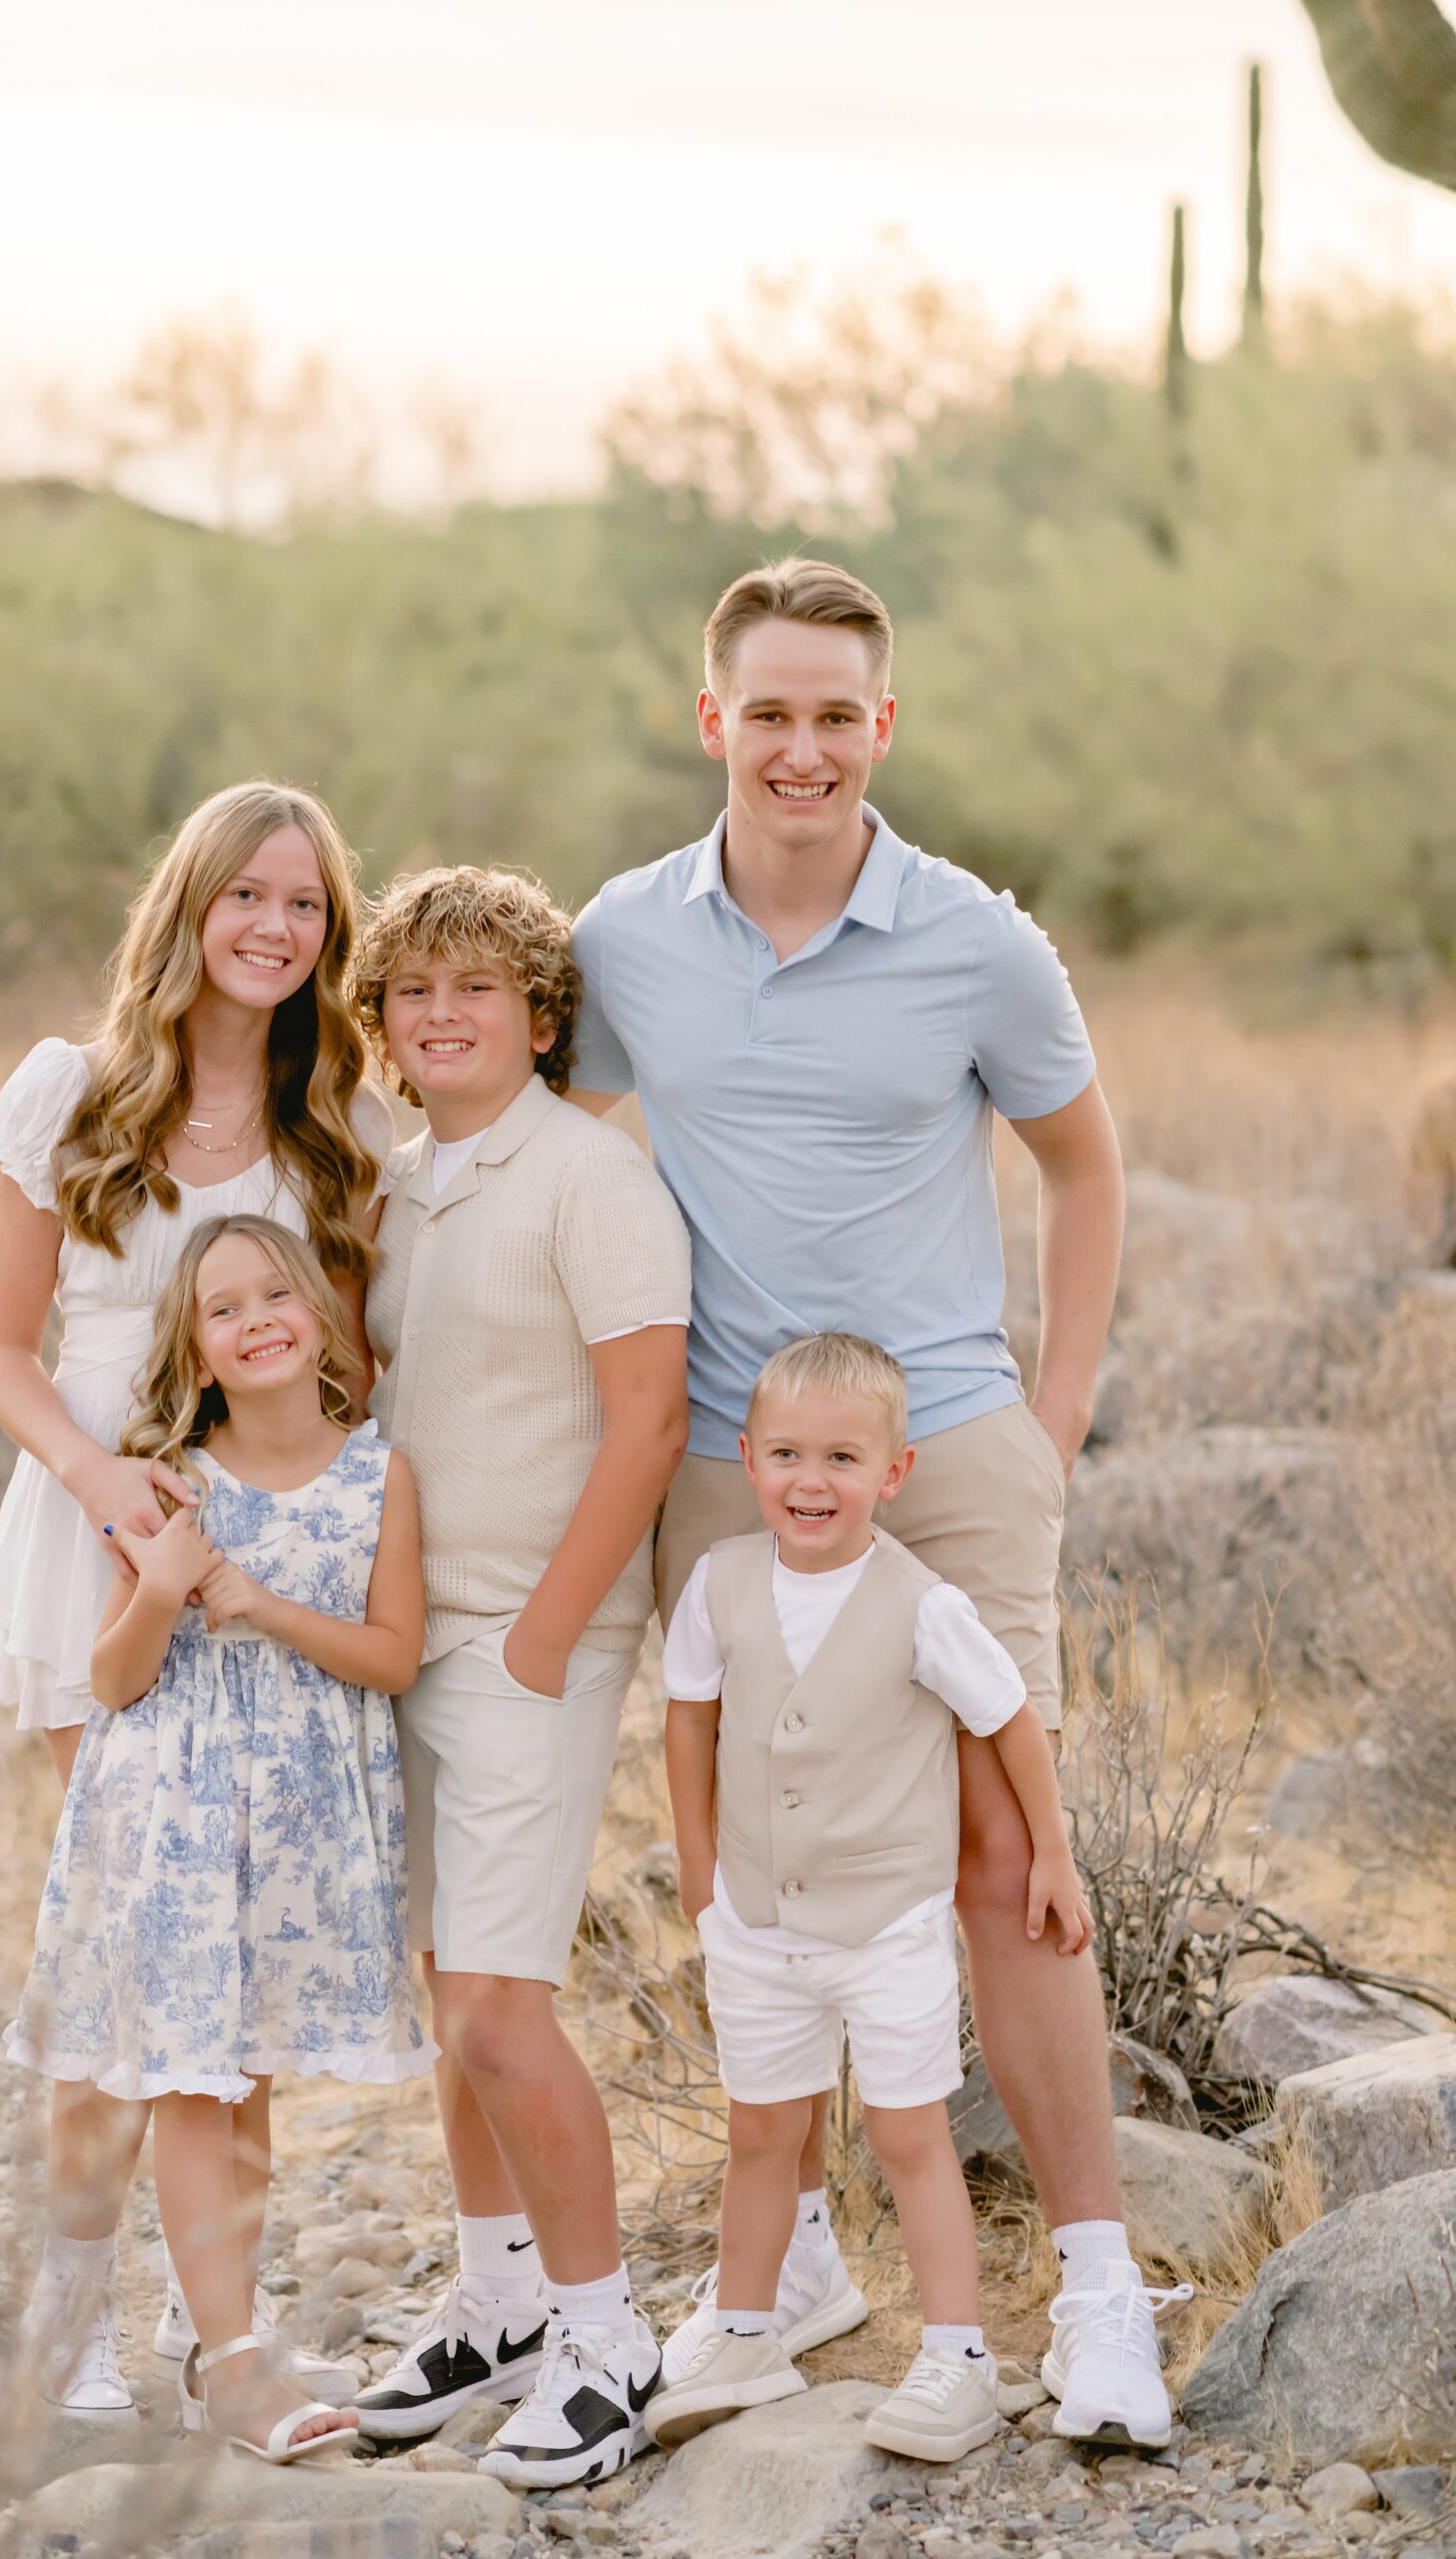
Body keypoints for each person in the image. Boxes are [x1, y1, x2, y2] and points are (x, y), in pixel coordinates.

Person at [569, 562, 1180, 2446]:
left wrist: (1051, 1413)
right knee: (766, 1877)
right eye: (770, 711)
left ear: (883, 730)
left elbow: (1084, 1169)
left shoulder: (978, 941)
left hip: (951, 1461)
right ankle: (793, 2274)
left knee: (1001, 1868)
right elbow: (558, 1158)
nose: (804, 746)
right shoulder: (624, 939)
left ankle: (1094, 2295)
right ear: (711, 724)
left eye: (838, 713)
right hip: (726, 1476)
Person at [0, 780, 394, 2409]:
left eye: (306, 906)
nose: (276, 928)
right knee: (125, 1945)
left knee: (241, 1976)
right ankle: (66, 2320)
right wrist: (99, 1485)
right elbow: (5, 1353)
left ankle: (213, 2318)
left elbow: (345, 1372)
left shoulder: (326, 1138)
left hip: (249, 1585)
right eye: (249, 897)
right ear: (190, 907)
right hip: (90, 1556)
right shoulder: (69, 1094)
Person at [349, 866, 692, 2487]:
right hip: (407, 1633)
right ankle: (493, 2299)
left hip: (529, 1637)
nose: (441, 1013)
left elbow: (647, 1423)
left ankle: (605, 2330)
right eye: (413, 990)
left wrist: (553, 1632)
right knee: (444, 1982)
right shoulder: (399, 1184)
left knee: (499, 2005)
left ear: (539, 1015)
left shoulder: (588, 1179)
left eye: (476, 987)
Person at [6, 1213, 430, 2459]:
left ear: (318, 1314)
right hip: (171, 1811)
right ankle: (237, 2369)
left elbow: (393, 1655)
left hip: (296, 1822)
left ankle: (217, 2340)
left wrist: (260, 1604)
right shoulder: (166, 1475)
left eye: (271, 1296)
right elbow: (116, 1681)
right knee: (193, 2079)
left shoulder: (378, 1475)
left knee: (242, 2086)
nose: (253, 1321)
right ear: (194, 1354)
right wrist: (157, 1584)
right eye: (221, 1310)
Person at [648, 1333, 1111, 2459]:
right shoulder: (719, 1581)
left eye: (844, 1458)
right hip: (756, 1924)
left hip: (886, 1924)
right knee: (764, 2127)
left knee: (907, 2134)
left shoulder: (920, 1602)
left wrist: (1047, 1852)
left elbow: (1005, 1719)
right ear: (748, 1455)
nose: (812, 1482)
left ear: (891, 1474)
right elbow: (688, 1721)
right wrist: (699, 1866)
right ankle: (748, 2332)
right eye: (788, 1454)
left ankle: (954, 2354)